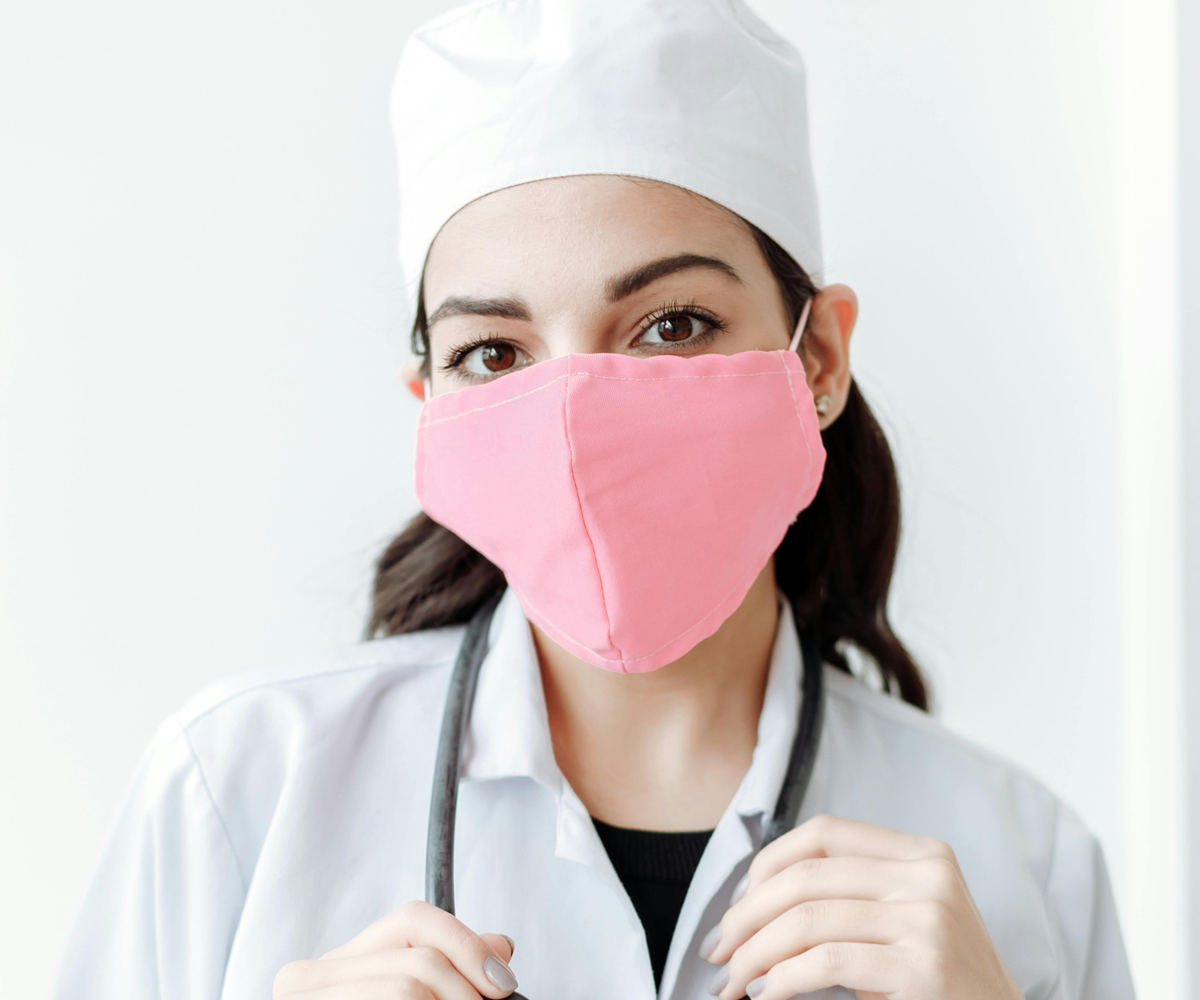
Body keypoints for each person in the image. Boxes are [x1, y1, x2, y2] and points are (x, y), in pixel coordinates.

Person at [51, 1, 1136, 998]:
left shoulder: (1024, 864)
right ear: (431, 403)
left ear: (819, 359)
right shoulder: (231, 795)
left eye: (670, 324)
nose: (574, 415)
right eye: (494, 350)